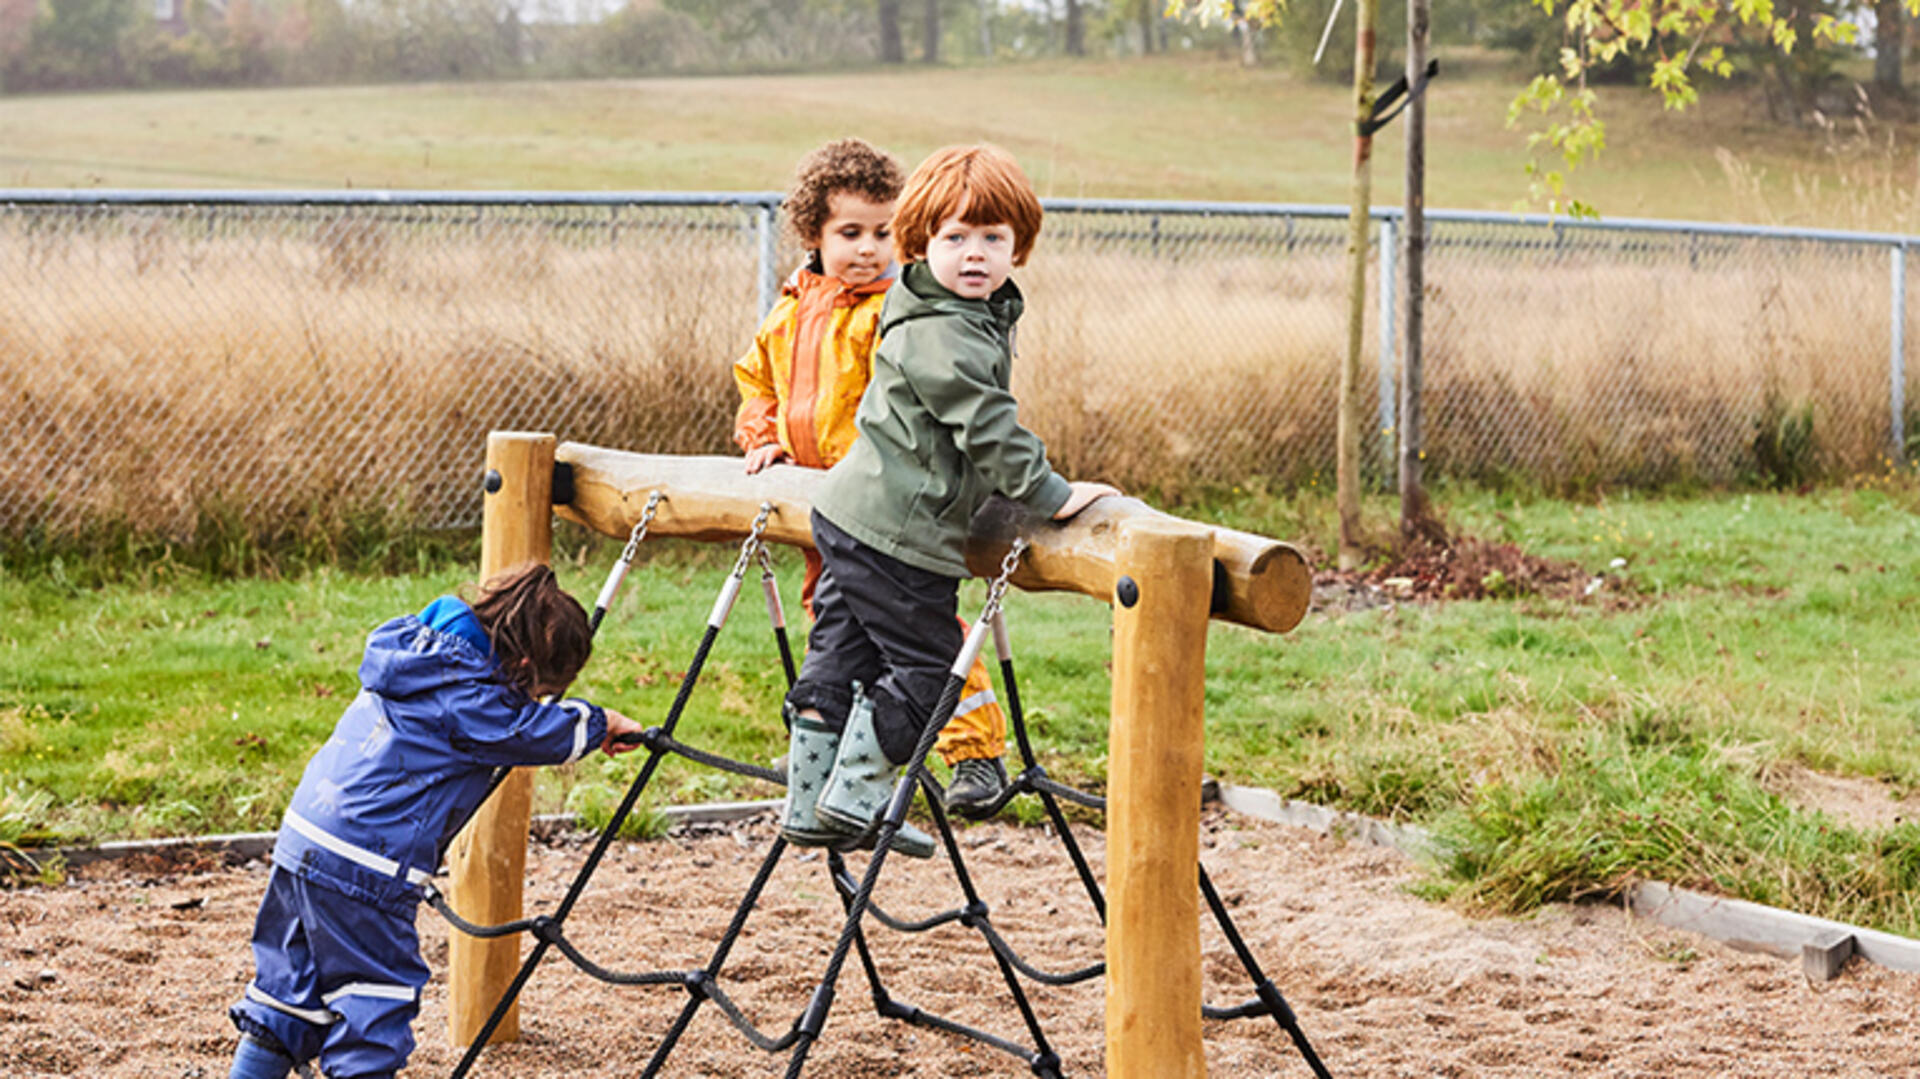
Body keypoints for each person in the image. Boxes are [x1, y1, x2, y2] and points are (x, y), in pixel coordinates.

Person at [778, 143, 1118, 858]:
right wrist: (1049, 494)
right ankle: (856, 793)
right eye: (954, 237)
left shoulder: (942, 309)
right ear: (919, 241)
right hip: (896, 532)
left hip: (849, 515)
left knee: (839, 656)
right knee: (935, 676)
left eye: (993, 238)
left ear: (1018, 246)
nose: (974, 254)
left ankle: (811, 800)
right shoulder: (946, 330)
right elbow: (986, 424)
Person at [224, 563, 643, 1079]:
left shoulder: (420, 650)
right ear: (526, 662)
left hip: (303, 840)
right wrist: (598, 722)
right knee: (374, 999)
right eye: (538, 691)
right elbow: (522, 732)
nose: (532, 701)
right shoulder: (470, 697)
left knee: (289, 989)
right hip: (367, 865)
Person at [732, 137, 1014, 823]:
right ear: (813, 235)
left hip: (885, 505)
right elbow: (755, 381)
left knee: (918, 629)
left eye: (884, 233)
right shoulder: (791, 309)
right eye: (849, 233)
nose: (868, 249)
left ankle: (972, 749)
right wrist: (761, 435)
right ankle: (830, 763)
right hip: (821, 503)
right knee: (837, 625)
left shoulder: (895, 311)